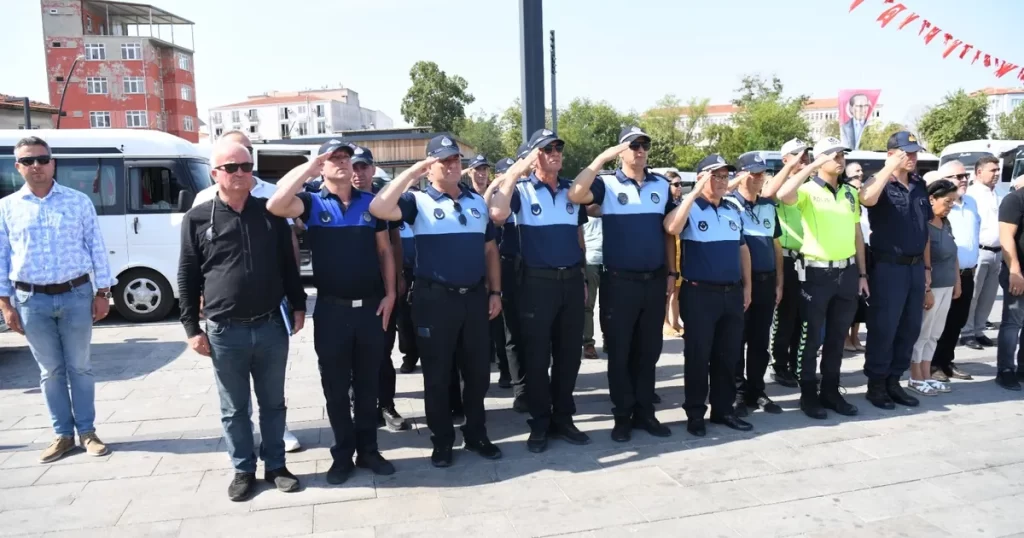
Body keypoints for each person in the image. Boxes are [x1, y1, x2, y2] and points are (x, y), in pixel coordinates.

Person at [178, 140, 306, 500]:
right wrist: (191, 328)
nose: (240, 173)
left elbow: (288, 266)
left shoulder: (270, 214)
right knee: (234, 409)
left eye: (246, 167)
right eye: (231, 168)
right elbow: (187, 276)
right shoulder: (199, 218)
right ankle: (243, 469)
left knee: (273, 403)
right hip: (224, 331)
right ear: (214, 173)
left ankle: (276, 464)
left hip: (269, 326)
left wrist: (298, 306)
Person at [266, 139, 397, 484]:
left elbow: (385, 252)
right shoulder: (310, 203)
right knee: (336, 388)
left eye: (346, 158)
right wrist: (310, 166)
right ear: (322, 166)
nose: (342, 163)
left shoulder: (372, 204)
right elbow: (277, 203)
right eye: (333, 158)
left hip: (370, 308)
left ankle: (369, 449)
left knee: (369, 385)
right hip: (331, 310)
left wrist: (392, 293)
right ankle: (343, 455)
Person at [369, 133, 504, 467]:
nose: (452, 165)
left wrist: (496, 292)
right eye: (443, 161)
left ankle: (476, 434)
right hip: (434, 300)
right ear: (430, 167)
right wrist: (414, 172)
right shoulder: (416, 202)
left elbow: (490, 251)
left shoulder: (475, 202)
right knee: (438, 375)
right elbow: (379, 207)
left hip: (473, 298)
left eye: (456, 159)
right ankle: (442, 440)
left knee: (476, 374)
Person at [0, 136, 115, 464]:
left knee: (80, 367)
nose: (36, 165)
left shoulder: (78, 202)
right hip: (30, 299)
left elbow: (96, 246)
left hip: (76, 294)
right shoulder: (7, 208)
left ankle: (88, 432)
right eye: (28, 160)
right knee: (50, 371)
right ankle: (63, 435)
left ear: (53, 163)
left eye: (41, 158)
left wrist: (103, 292)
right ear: (18, 167)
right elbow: (2, 256)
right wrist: (5, 304)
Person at [568, 126, 674, 442]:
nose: (640, 151)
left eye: (644, 145)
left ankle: (645, 412)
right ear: (622, 151)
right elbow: (575, 194)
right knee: (621, 350)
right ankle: (623, 415)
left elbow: (668, 232)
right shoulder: (608, 185)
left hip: (653, 281)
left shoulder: (661, 186)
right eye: (633, 145)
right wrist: (602, 158)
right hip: (619, 282)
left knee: (649, 350)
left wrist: (671, 273)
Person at [489, 128, 590, 453]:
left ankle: (563, 418)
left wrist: (583, 279)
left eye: (558, 147)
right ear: (534, 157)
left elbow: (578, 236)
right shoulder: (520, 190)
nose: (556, 153)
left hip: (571, 282)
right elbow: (498, 213)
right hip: (536, 283)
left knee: (569, 354)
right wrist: (516, 171)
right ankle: (540, 423)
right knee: (536, 357)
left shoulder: (571, 190)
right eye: (547, 149)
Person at [775, 137, 865, 420]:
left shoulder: (849, 193)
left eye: (842, 155)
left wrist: (862, 273)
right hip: (817, 273)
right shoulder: (807, 190)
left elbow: (857, 234)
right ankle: (808, 394)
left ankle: (831, 390)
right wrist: (812, 163)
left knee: (838, 337)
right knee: (811, 337)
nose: (840, 159)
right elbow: (783, 194)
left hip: (847, 272)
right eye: (834, 155)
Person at [664, 155, 752, 436]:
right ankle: (694, 413)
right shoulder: (689, 207)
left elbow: (742, 249)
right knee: (698, 356)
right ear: (701, 178)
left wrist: (747, 286)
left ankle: (723, 409)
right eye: (716, 176)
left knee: (728, 356)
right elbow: (671, 227)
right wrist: (693, 192)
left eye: (725, 176)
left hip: (732, 292)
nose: (722, 181)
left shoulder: (732, 209)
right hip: (699, 294)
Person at [859, 132, 932, 410]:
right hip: (889, 267)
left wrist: (927, 267)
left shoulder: (918, 184)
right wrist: (889, 168)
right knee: (884, 327)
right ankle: (876, 384)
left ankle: (894, 381)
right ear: (892, 154)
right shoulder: (879, 182)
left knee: (909, 327)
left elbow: (924, 229)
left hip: (914, 268)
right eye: (907, 153)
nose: (913, 158)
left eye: (915, 153)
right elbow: (866, 198)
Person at [351, 146, 410, 432]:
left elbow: (394, 241)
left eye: (363, 167)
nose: (357, 173)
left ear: (373, 170)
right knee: (350, 354)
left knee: (383, 351)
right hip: (349, 290)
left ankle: (386, 404)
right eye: (353, 167)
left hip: (379, 288)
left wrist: (396, 278)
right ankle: (359, 405)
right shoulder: (334, 198)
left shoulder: (382, 201)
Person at [725, 153, 784, 417]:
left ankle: (756, 390)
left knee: (760, 341)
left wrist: (780, 281)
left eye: (763, 173)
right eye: (754, 173)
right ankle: (737, 392)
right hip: (738, 284)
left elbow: (776, 245)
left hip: (766, 281)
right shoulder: (728, 205)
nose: (760, 178)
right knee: (737, 340)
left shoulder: (769, 206)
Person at [762, 139, 810, 388]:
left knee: (805, 317)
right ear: (785, 159)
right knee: (785, 317)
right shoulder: (776, 182)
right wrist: (792, 168)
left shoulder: (810, 185)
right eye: (798, 156)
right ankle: (779, 365)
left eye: (806, 156)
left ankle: (797, 364)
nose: (804, 160)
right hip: (786, 258)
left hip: (810, 259)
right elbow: (768, 194)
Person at [908, 178, 960, 395]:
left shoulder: (946, 223)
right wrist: (926, 290)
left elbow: (953, 255)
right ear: (932, 199)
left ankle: (927, 374)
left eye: (953, 203)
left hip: (947, 286)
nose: (950, 207)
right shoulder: (924, 225)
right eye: (947, 202)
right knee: (922, 333)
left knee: (935, 333)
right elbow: (922, 261)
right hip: (932, 287)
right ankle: (915, 377)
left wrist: (957, 282)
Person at [932, 161, 979, 382]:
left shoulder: (971, 203)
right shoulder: (938, 211)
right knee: (939, 323)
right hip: (944, 275)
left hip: (967, 273)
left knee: (957, 321)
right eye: (956, 176)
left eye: (964, 175)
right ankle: (932, 365)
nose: (963, 179)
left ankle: (946, 361)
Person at [962, 156, 1002, 350]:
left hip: (997, 252)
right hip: (980, 251)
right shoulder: (972, 194)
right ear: (979, 172)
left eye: (997, 169)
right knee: (973, 295)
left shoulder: (995, 193)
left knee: (988, 295)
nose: (997, 173)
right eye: (992, 170)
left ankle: (978, 330)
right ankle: (967, 332)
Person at [995, 181, 1024, 391]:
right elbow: (1006, 237)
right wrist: (1014, 270)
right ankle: (1005, 370)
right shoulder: (1014, 200)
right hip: (1018, 274)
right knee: (1012, 324)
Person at [843, 162, 868, 352]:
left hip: (865, 252)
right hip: (846, 253)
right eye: (856, 173)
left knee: (861, 301)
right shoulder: (846, 203)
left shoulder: (865, 207)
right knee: (848, 302)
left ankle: (855, 337)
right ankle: (845, 338)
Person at [663, 171, 685, 337]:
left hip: (680, 248)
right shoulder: (664, 204)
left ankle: (676, 321)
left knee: (677, 290)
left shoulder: (681, 202)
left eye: (680, 184)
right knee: (667, 290)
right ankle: (665, 322)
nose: (680, 188)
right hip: (667, 249)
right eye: (676, 184)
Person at [582, 204, 604, 360]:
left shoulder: (610, 207)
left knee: (611, 306)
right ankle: (588, 343)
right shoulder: (581, 209)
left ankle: (610, 339)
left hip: (611, 261)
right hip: (590, 261)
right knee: (588, 305)